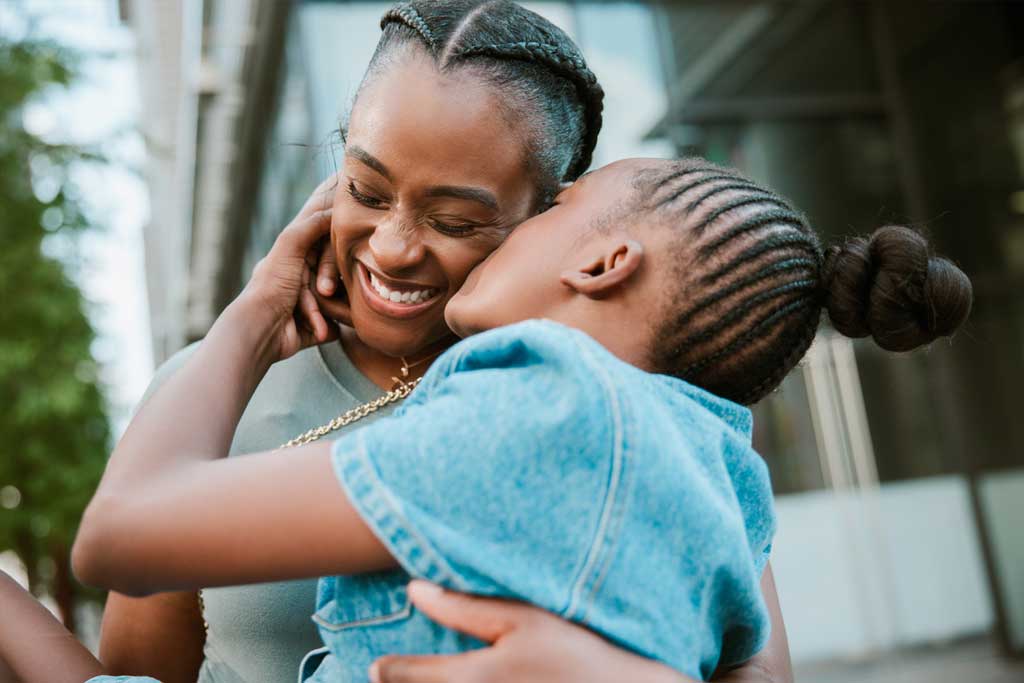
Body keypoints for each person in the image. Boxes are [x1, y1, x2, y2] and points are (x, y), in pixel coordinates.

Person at [0, 156, 972, 682]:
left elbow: (117, 534)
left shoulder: (537, 401)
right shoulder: (717, 450)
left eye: (552, 204)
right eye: (365, 187)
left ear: (601, 262)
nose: (395, 240)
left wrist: (251, 312)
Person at [97, 2, 796, 682]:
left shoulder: (615, 407)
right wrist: (251, 317)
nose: (394, 248)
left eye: (455, 220)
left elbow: (752, 663)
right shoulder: (207, 391)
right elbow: (133, 669)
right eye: (366, 190)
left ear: (545, 213)